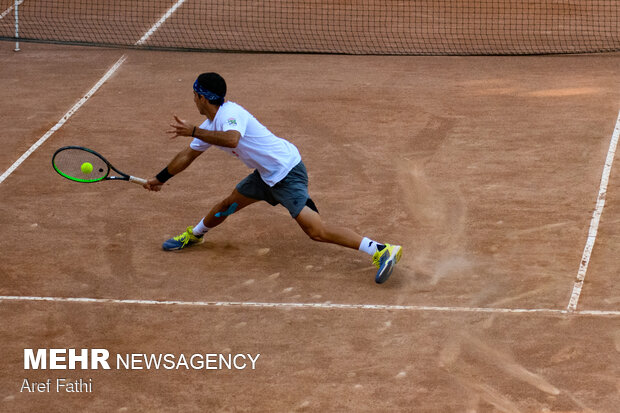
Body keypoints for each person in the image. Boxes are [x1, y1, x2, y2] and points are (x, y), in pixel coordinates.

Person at [143, 72, 402, 284]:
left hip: (287, 173)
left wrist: (193, 130)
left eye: (194, 95)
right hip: (265, 177)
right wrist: (161, 178)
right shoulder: (210, 127)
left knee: (317, 231)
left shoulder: (231, 114)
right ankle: (195, 235)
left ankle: (381, 250)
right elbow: (187, 155)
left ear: (200, 97)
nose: (194, 100)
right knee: (227, 204)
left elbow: (232, 138)